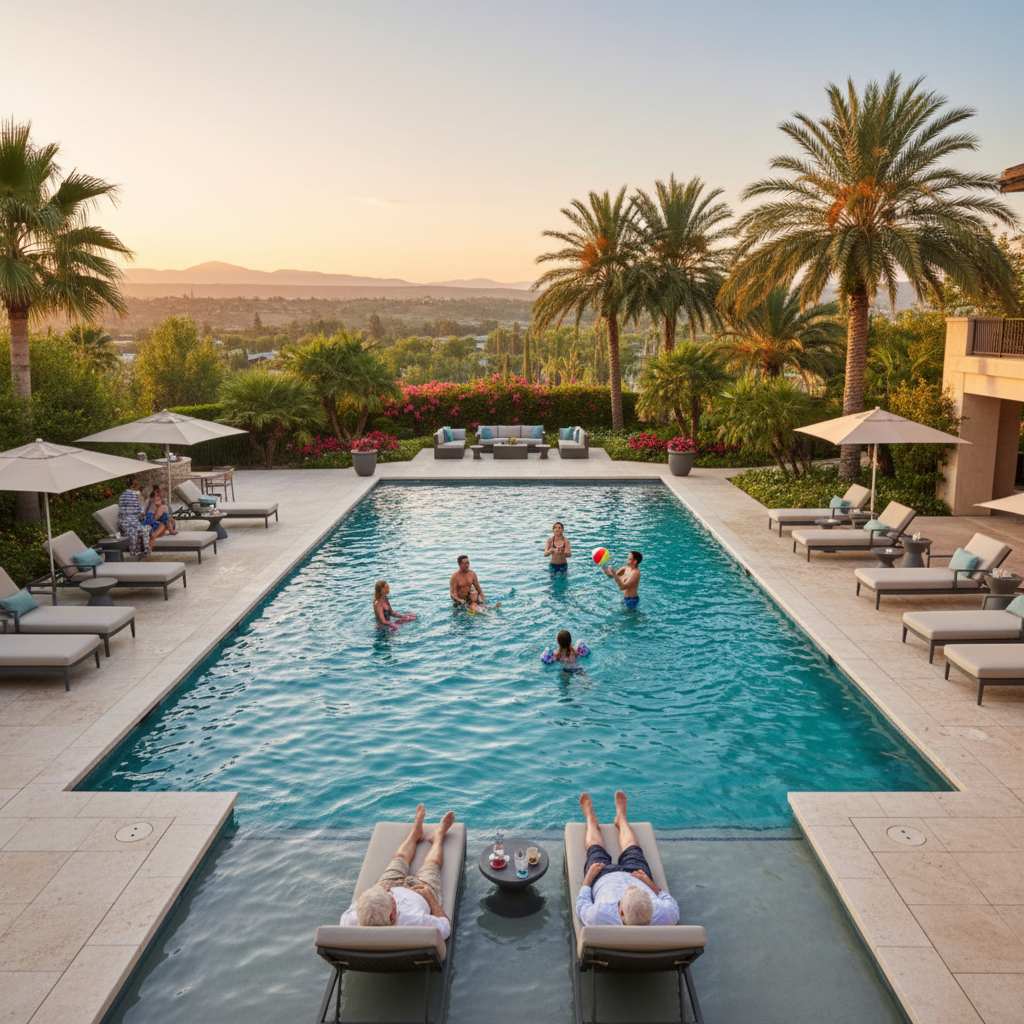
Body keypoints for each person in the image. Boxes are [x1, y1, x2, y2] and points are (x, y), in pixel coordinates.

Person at [340, 804, 456, 937]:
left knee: (399, 859)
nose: (392, 894)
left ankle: (415, 833)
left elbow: (356, 904)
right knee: (431, 864)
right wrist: (429, 897)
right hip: (420, 890)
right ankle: (438, 837)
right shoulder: (414, 921)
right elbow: (445, 928)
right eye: (392, 899)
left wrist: (380, 889)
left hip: (383, 888)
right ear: (392, 916)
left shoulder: (349, 921)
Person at [575, 790, 679, 927]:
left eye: (620, 900)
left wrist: (588, 879)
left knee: (595, 849)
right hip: (638, 874)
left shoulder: (599, 917)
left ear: (622, 914)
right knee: (633, 849)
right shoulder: (666, 915)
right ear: (652, 907)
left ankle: (591, 820)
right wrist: (649, 884)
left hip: (603, 876)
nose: (630, 887)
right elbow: (668, 900)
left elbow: (581, 904)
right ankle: (621, 819)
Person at [117, 478, 154, 557]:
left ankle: (137, 550)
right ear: (137, 484)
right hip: (133, 523)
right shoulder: (137, 494)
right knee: (147, 528)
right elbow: (140, 514)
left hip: (123, 524)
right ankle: (146, 550)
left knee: (140, 529)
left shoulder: (122, 495)